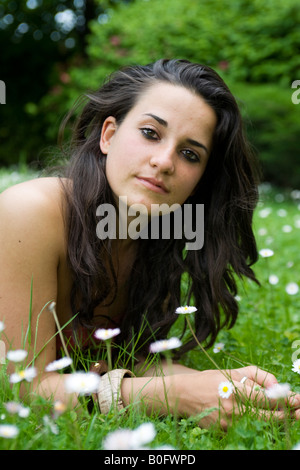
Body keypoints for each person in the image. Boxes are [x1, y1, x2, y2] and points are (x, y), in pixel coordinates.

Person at [0, 59, 299, 429]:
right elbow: (25, 388)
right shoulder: (30, 212)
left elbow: (132, 356)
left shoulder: (159, 238)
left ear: (199, 182)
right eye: (150, 133)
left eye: (190, 154)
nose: (164, 162)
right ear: (108, 135)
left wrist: (227, 388)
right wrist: (177, 397)